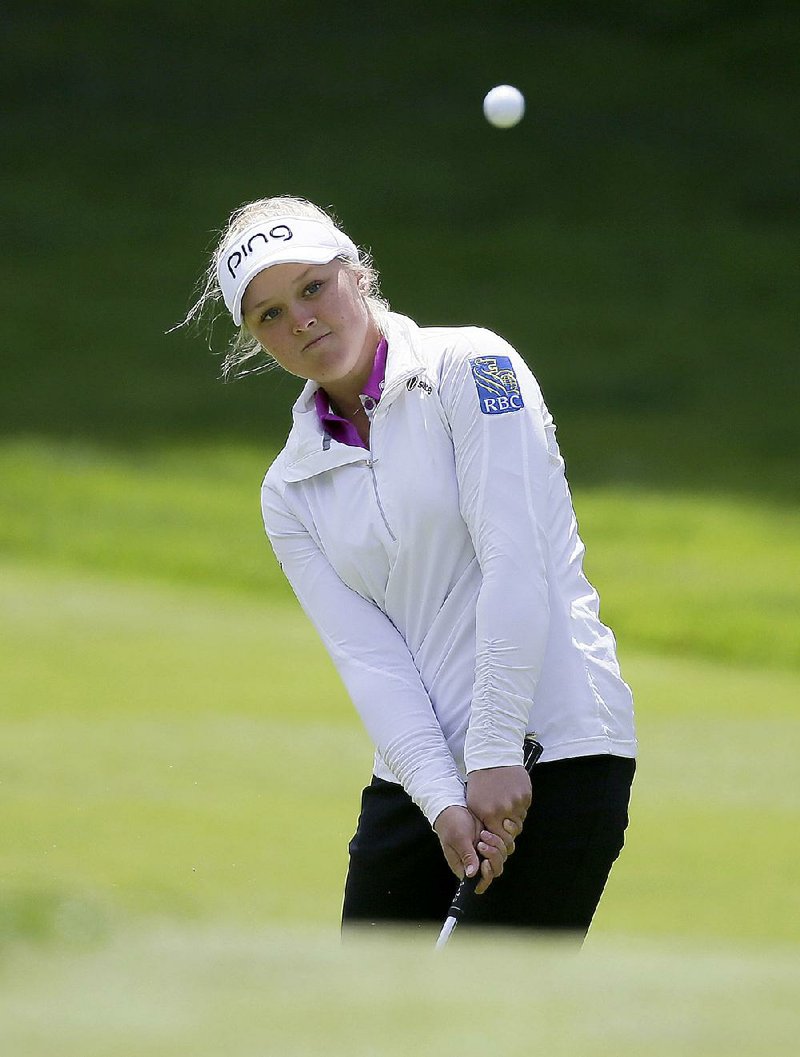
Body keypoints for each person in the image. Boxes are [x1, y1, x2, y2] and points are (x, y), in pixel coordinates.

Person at [183, 194, 637, 938]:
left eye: (311, 287)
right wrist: (441, 798)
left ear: (356, 275)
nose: (299, 320)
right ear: (255, 339)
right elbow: (369, 657)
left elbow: (514, 563)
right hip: (420, 782)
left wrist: (492, 754)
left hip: (557, 745)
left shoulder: (475, 366)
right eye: (268, 314)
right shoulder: (289, 487)